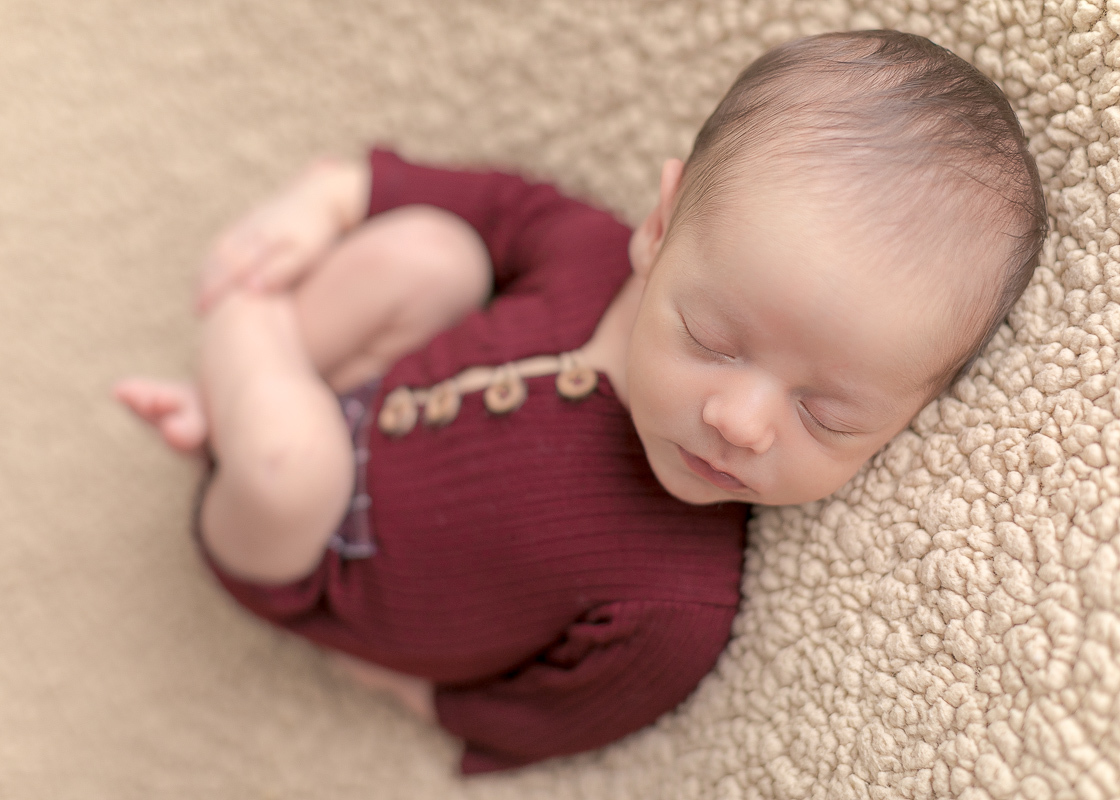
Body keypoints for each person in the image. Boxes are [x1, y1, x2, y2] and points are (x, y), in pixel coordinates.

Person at [114, 30, 1046, 773]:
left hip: (309, 560)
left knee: (291, 465)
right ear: (659, 229)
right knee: (432, 252)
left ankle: (238, 353)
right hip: (355, 375)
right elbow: (500, 204)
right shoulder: (592, 256)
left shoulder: (670, 602)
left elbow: (559, 716)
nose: (740, 421)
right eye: (713, 340)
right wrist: (336, 195)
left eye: (827, 416)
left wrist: (406, 690)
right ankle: (241, 391)